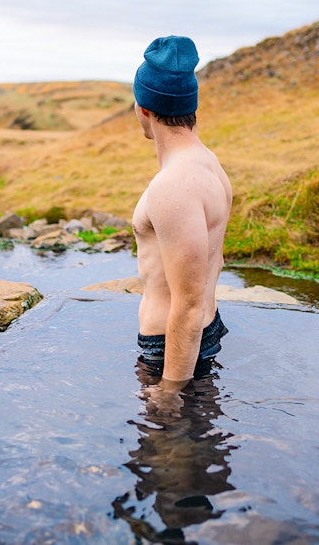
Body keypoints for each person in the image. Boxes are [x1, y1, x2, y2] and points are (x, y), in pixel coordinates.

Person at [132, 35, 232, 412]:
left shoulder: (173, 186)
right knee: (201, 451)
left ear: (143, 108)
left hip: (169, 351)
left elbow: (187, 305)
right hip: (201, 333)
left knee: (166, 461)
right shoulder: (209, 163)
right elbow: (215, 262)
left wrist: (169, 390)